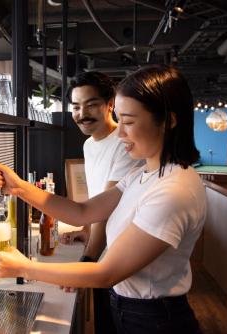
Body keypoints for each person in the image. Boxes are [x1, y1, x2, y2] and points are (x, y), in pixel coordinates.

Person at [0, 64, 205, 334]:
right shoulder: (145, 174)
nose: (121, 133)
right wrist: (19, 188)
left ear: (168, 121)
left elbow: (107, 272)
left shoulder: (174, 190)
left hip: (155, 320)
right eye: (120, 120)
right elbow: (83, 212)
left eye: (130, 121)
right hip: (130, 307)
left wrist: (24, 268)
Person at [63, 71, 142, 333]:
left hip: (119, 262)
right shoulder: (89, 145)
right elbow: (96, 198)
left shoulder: (124, 143)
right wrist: (84, 231)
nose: (82, 113)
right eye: (76, 106)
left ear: (110, 104)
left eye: (91, 104)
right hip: (102, 256)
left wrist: (87, 261)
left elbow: (108, 209)